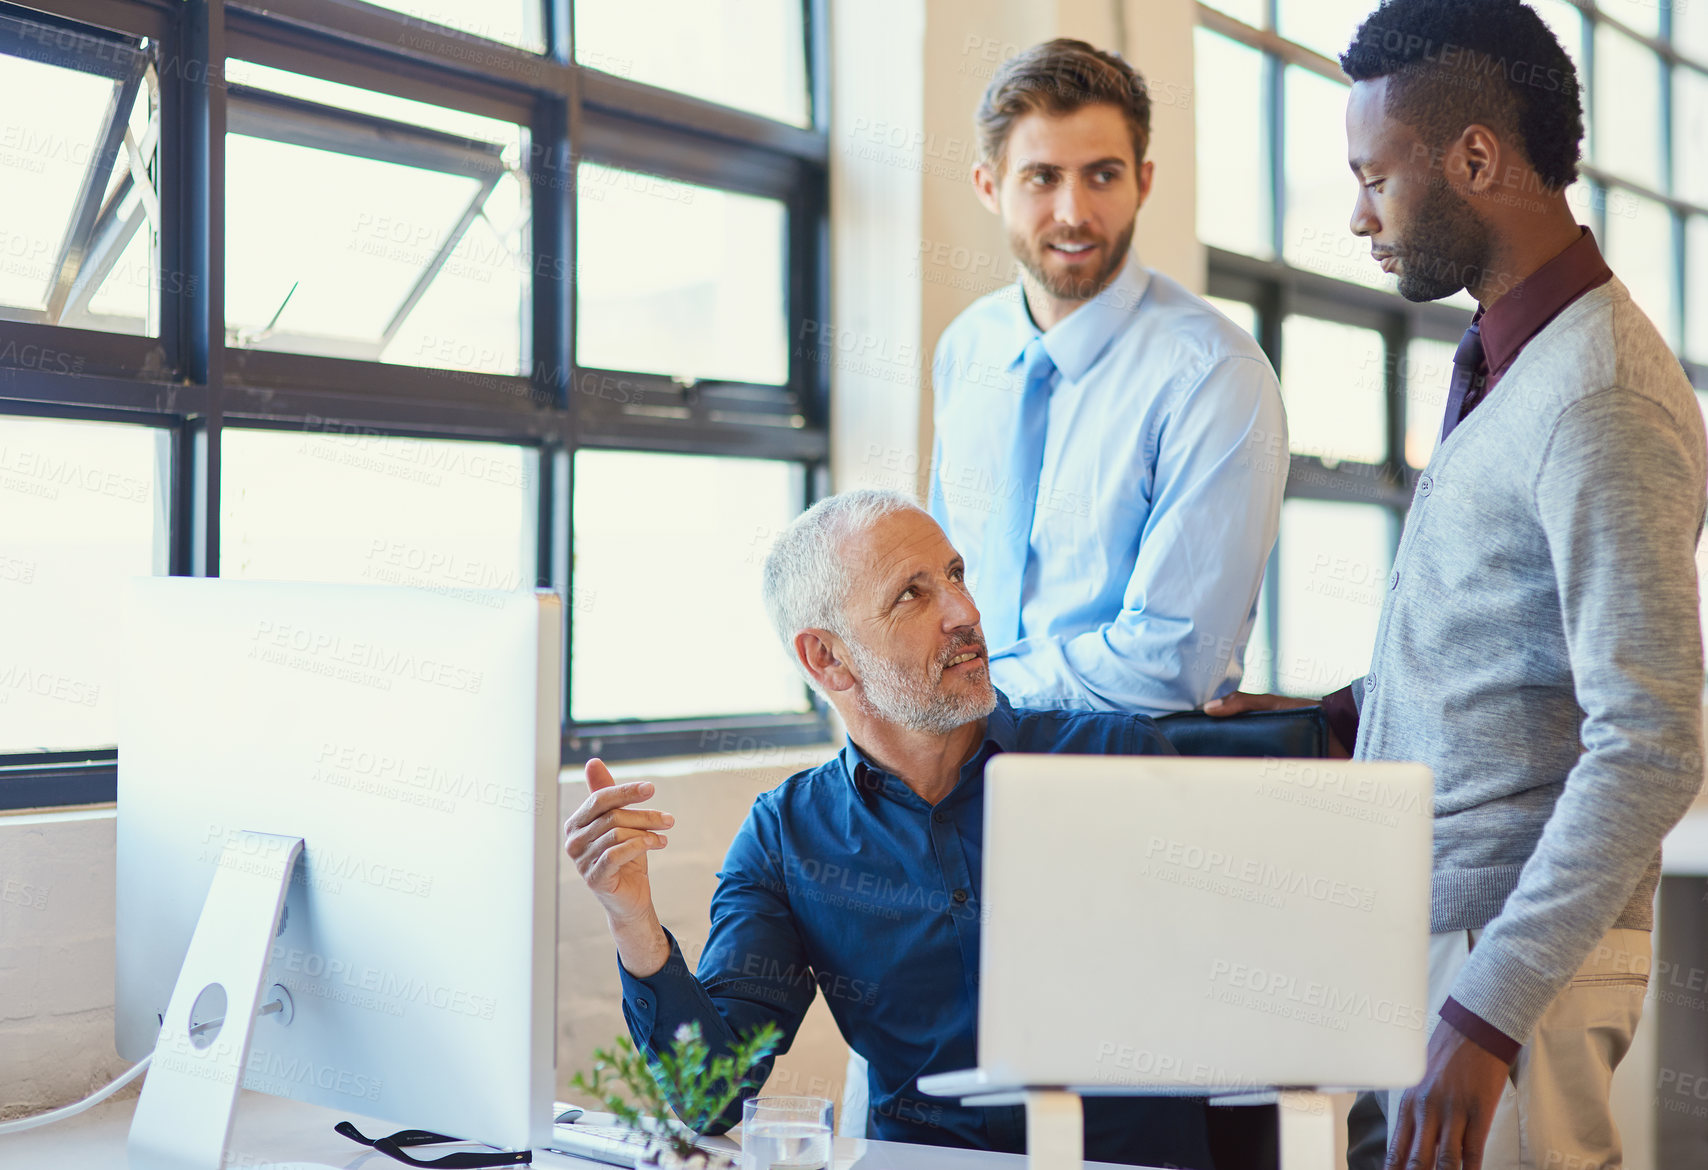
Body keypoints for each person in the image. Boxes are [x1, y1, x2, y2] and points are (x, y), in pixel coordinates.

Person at [1207, 3, 1707, 1168]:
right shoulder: (1512, 357)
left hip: (1509, 955)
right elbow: (1505, 646)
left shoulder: (1601, 397)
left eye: (1375, 176)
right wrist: (1318, 717)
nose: (1357, 214)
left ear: (1474, 158)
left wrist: (1486, 1012)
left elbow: (1650, 742)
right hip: (1442, 932)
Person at [564, 490, 1222, 1168]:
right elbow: (712, 1095)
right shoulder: (787, 838)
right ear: (827, 658)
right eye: (912, 594)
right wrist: (630, 916)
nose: (964, 613)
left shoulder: (1119, 762)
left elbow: (1241, 1006)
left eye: (957, 575)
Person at [929, 38, 1287, 716]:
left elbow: (1173, 662)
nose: (1073, 212)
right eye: (1041, 177)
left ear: (1143, 181)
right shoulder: (965, 350)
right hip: (948, 775)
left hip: (1117, 783)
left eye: (1102, 175)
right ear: (988, 186)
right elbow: (940, 584)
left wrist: (964, 696)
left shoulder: (1214, 375)